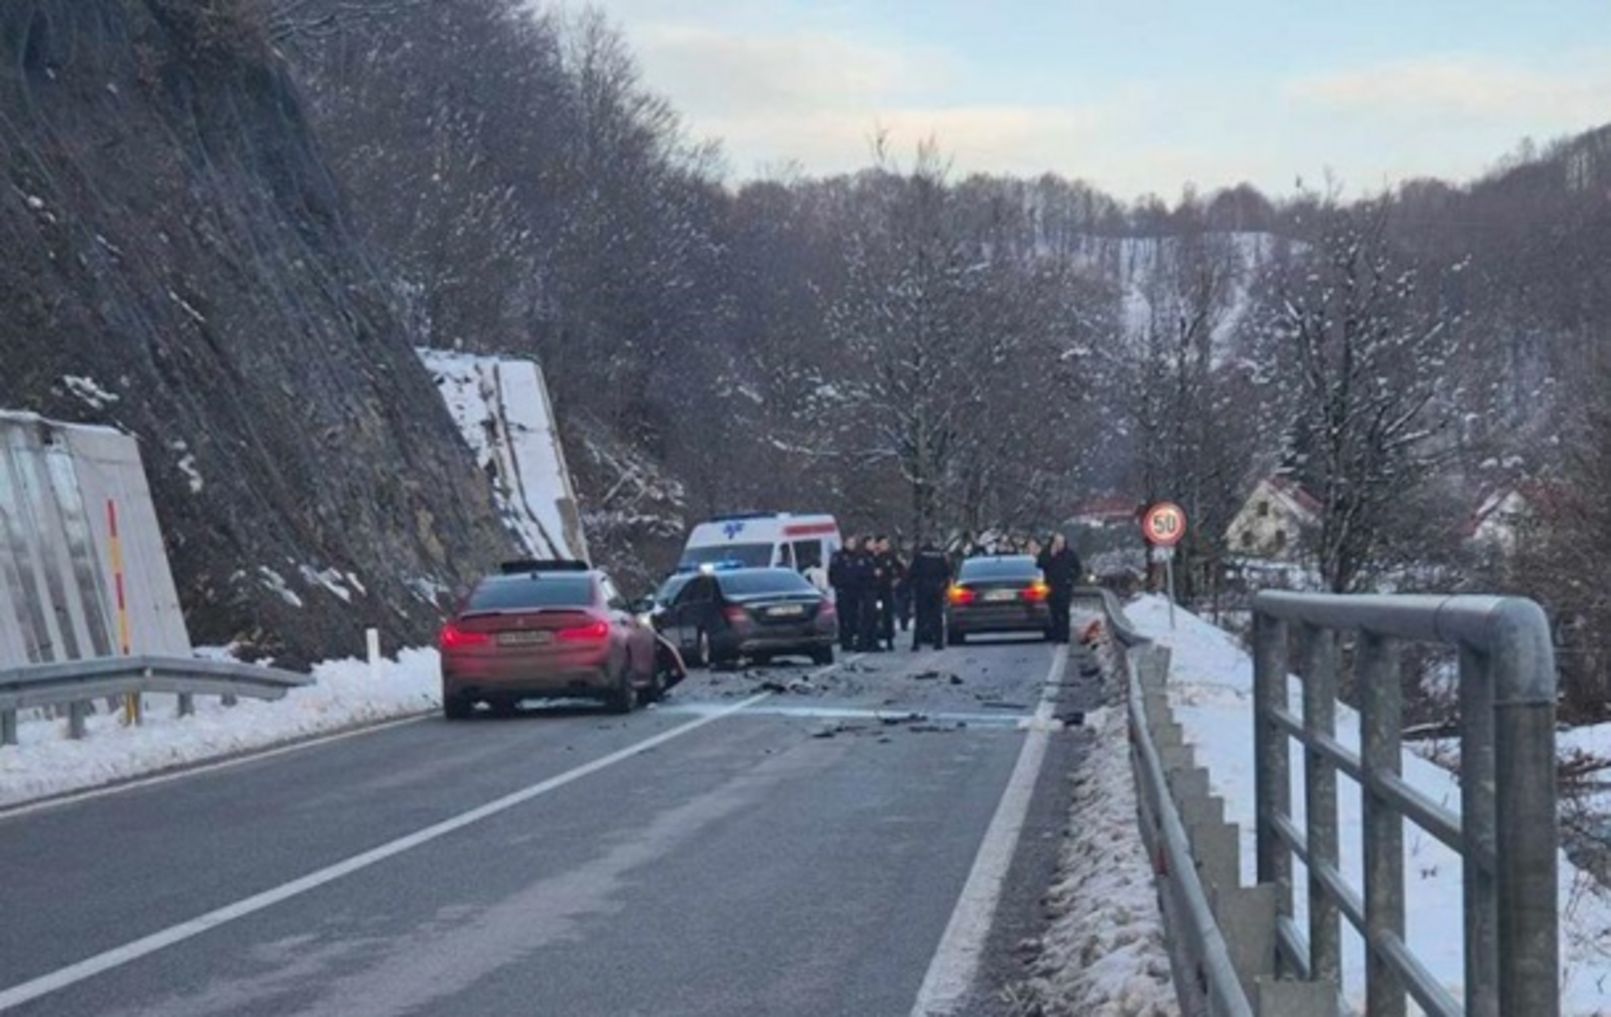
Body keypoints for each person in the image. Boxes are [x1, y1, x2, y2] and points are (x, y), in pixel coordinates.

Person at [1037, 533, 1083, 644]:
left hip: (1065, 588)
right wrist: (1050, 555)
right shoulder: (1047, 553)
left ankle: (1065, 636)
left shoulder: (1070, 554)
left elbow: (1078, 569)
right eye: (1057, 543)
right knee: (1054, 612)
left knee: (1064, 612)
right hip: (1050, 588)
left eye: (1061, 542)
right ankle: (1056, 636)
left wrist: (1071, 579)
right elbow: (1040, 564)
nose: (1059, 545)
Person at [907, 539, 952, 651]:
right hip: (936, 589)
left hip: (922, 590)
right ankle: (938, 642)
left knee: (920, 618)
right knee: (937, 617)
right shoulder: (939, 556)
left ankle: (916, 643)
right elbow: (947, 573)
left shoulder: (919, 556)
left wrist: (913, 586)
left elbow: (912, 573)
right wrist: (944, 587)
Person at [828, 537, 861, 651]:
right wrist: (838, 585)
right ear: (845, 543)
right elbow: (832, 573)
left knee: (853, 617)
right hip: (843, 591)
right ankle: (845, 641)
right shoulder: (838, 556)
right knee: (844, 617)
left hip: (855, 591)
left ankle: (852, 638)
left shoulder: (857, 556)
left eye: (853, 543)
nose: (852, 545)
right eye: (850, 543)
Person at [873, 535, 902, 650]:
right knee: (874, 615)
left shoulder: (891, 556)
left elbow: (901, 570)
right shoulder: (873, 557)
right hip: (875, 590)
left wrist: (897, 581)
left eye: (886, 544)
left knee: (888, 615)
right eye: (883, 543)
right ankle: (874, 639)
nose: (885, 546)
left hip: (887, 590)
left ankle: (889, 640)